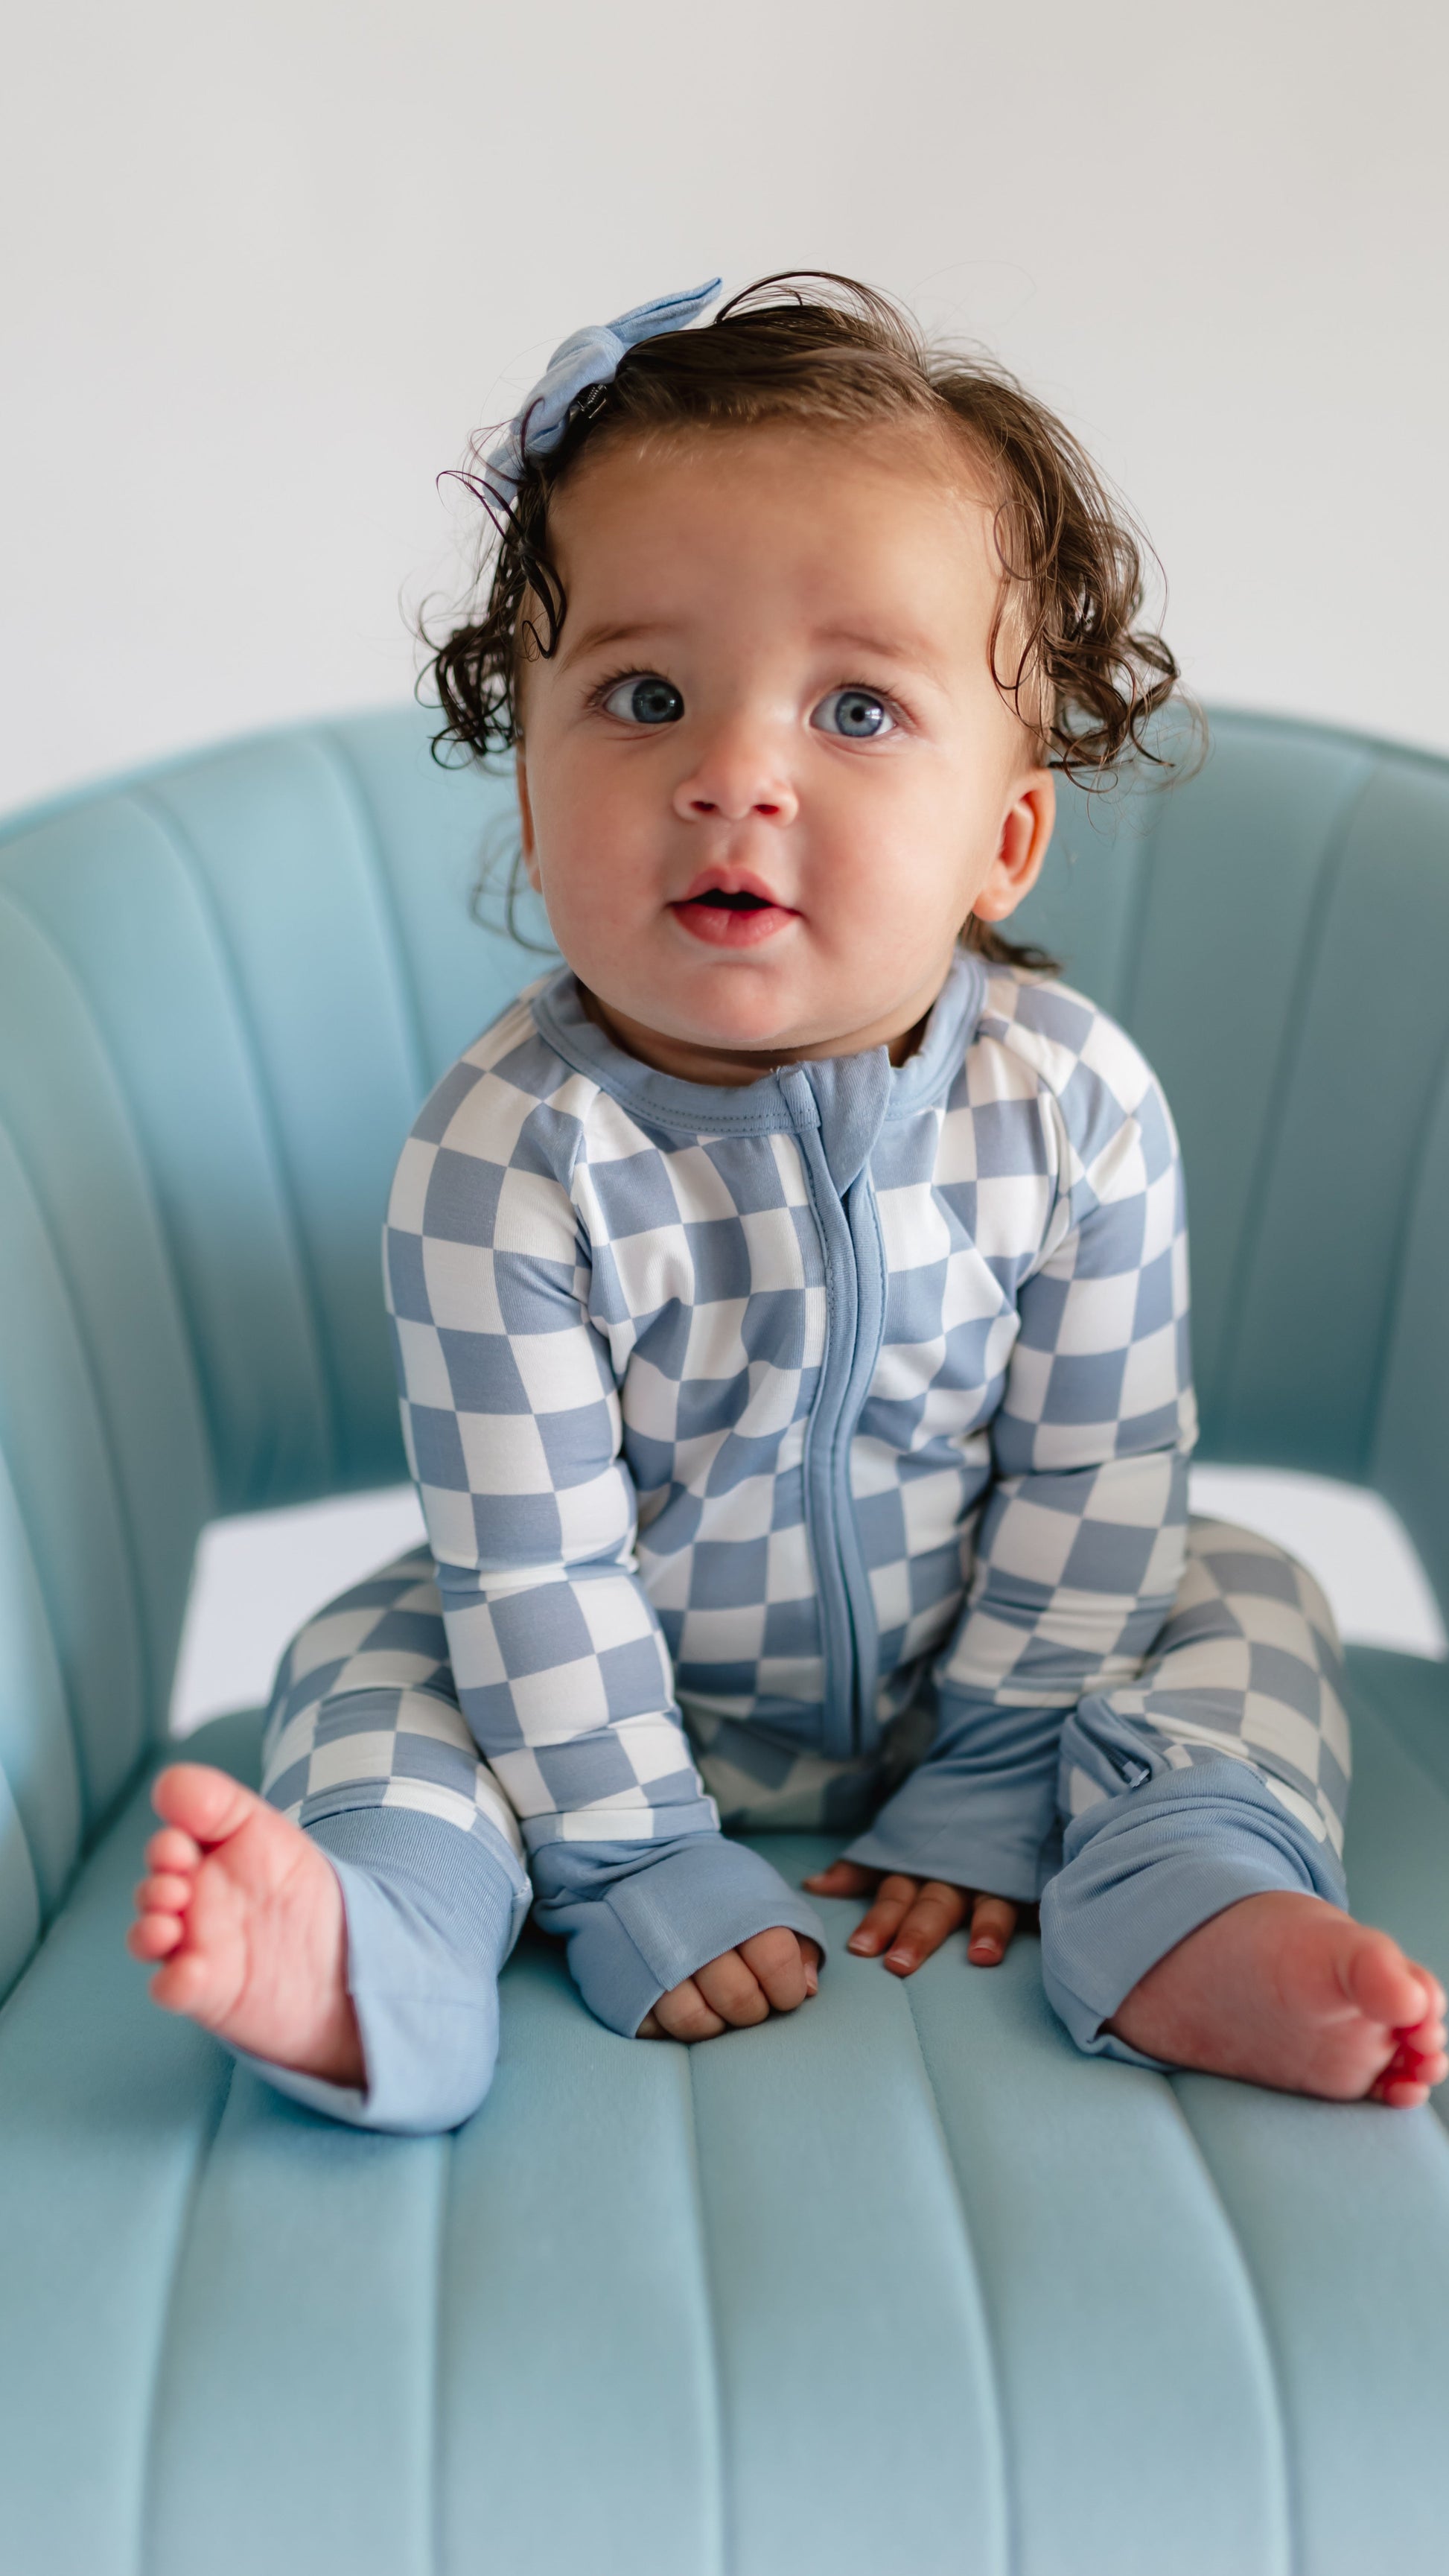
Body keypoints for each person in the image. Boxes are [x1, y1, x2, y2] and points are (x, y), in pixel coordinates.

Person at [128, 273, 1448, 2131]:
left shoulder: (1068, 1102)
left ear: (1003, 839)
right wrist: (629, 1859)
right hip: (603, 1694)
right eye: (644, 695)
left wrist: (997, 1779)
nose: (732, 772)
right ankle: (374, 1949)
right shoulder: (508, 1154)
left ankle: (1185, 1895)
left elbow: (1094, 1473)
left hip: (989, 1671)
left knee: (1243, 1592)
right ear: (530, 800)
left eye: (856, 707)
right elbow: (534, 1564)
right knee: (368, 1653)